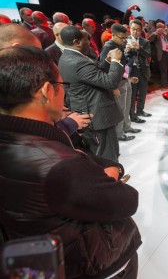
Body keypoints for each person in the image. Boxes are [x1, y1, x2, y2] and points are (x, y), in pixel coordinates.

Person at [0, 46, 141, 278]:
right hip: (91, 263)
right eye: (61, 86)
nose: (64, 94)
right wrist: (111, 175)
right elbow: (128, 201)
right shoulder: (58, 165)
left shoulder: (19, 139)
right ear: (46, 91)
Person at [58, 25, 124, 162]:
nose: (90, 42)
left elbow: (95, 73)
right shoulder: (78, 62)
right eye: (87, 39)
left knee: (102, 152)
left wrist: (107, 61)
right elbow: (110, 82)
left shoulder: (69, 56)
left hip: (90, 111)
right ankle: (112, 179)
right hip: (97, 114)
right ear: (77, 42)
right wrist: (116, 61)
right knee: (108, 154)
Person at [100, 23, 141, 141]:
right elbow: (103, 68)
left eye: (125, 38)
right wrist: (113, 87)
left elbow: (122, 64)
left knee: (127, 106)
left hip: (124, 80)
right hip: (116, 84)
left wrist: (128, 78)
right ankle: (118, 134)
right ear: (113, 34)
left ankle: (127, 127)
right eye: (121, 38)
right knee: (120, 109)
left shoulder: (120, 45)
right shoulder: (108, 47)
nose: (124, 40)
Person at [126, 19, 152, 122]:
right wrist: (126, 51)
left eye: (138, 30)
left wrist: (139, 48)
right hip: (131, 71)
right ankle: (132, 115)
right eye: (133, 29)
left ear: (141, 30)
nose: (135, 32)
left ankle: (140, 111)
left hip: (143, 70)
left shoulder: (145, 41)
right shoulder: (125, 40)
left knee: (143, 92)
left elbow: (148, 55)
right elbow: (123, 57)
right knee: (132, 94)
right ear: (130, 29)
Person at [148, 22, 168, 87]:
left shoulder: (166, 33)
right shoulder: (155, 34)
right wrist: (156, 33)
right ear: (157, 28)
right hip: (162, 53)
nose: (163, 28)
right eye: (161, 27)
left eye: (163, 27)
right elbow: (149, 40)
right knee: (163, 69)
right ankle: (164, 83)